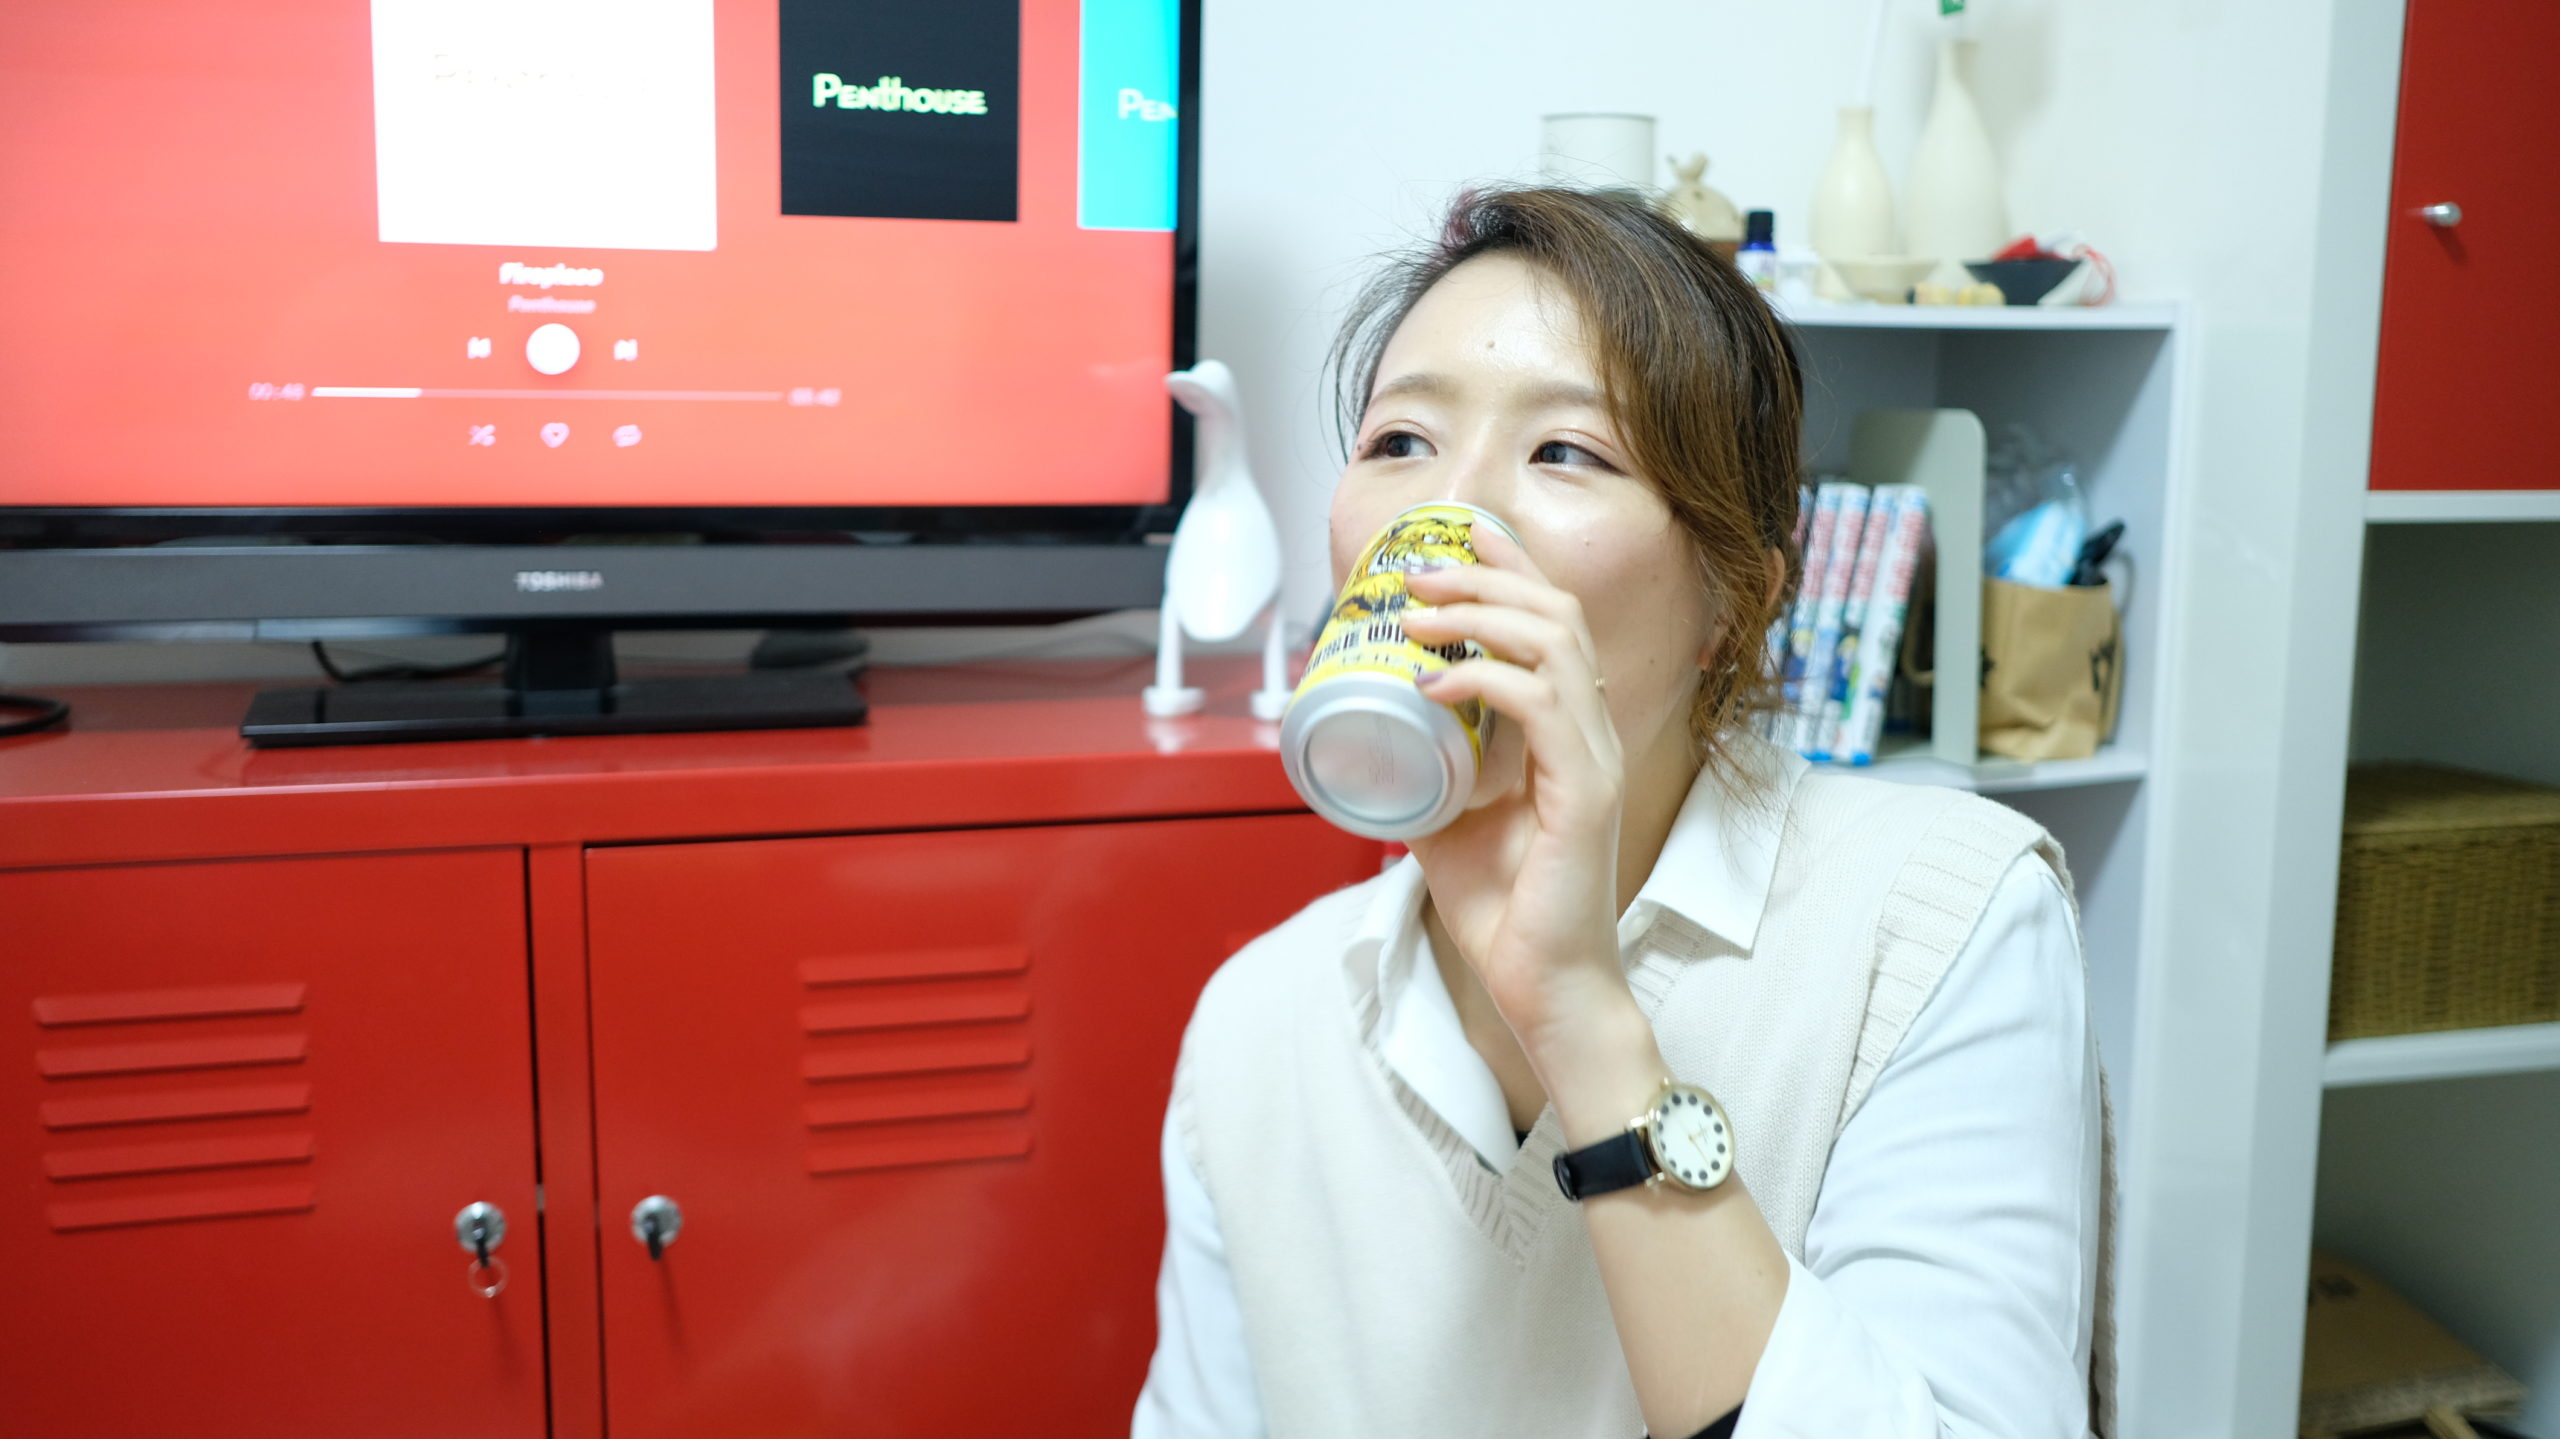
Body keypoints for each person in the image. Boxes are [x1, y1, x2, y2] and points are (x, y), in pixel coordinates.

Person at [1132, 186, 2110, 1439]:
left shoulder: (1938, 921)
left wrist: (1581, 1015)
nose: (1447, 523)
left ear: (1734, 605)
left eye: (1565, 453)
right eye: (1400, 441)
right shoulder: (1257, 1019)